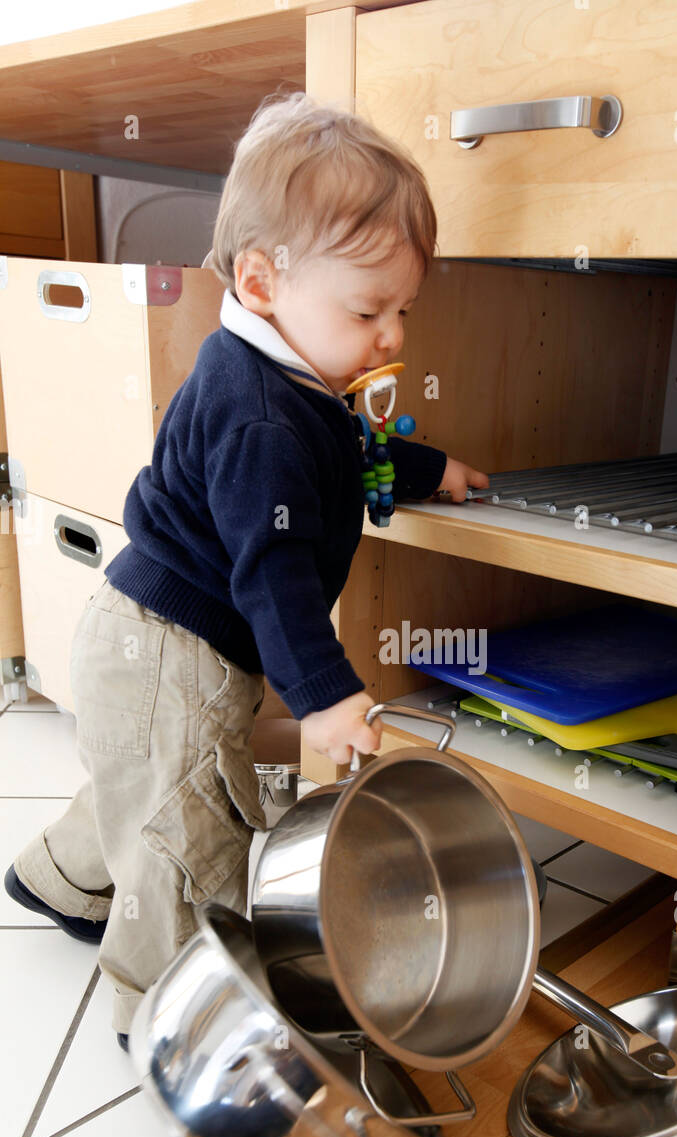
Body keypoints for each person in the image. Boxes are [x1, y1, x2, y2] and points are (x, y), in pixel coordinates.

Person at [6, 91, 488, 1047]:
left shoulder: (296, 374)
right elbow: (275, 572)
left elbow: (353, 450)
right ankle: (174, 1020)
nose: (392, 335)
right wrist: (324, 695)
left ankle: (59, 877)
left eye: (402, 310)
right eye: (368, 309)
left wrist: (432, 471)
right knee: (190, 835)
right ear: (263, 281)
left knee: (148, 782)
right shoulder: (261, 417)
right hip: (167, 654)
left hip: (154, 644)